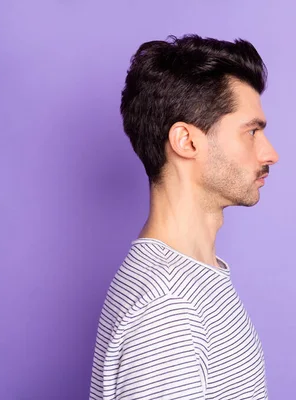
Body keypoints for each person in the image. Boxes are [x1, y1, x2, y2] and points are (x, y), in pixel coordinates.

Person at [89, 34, 279, 400]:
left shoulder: (191, 279)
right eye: (251, 132)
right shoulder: (166, 310)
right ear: (187, 142)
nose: (270, 153)